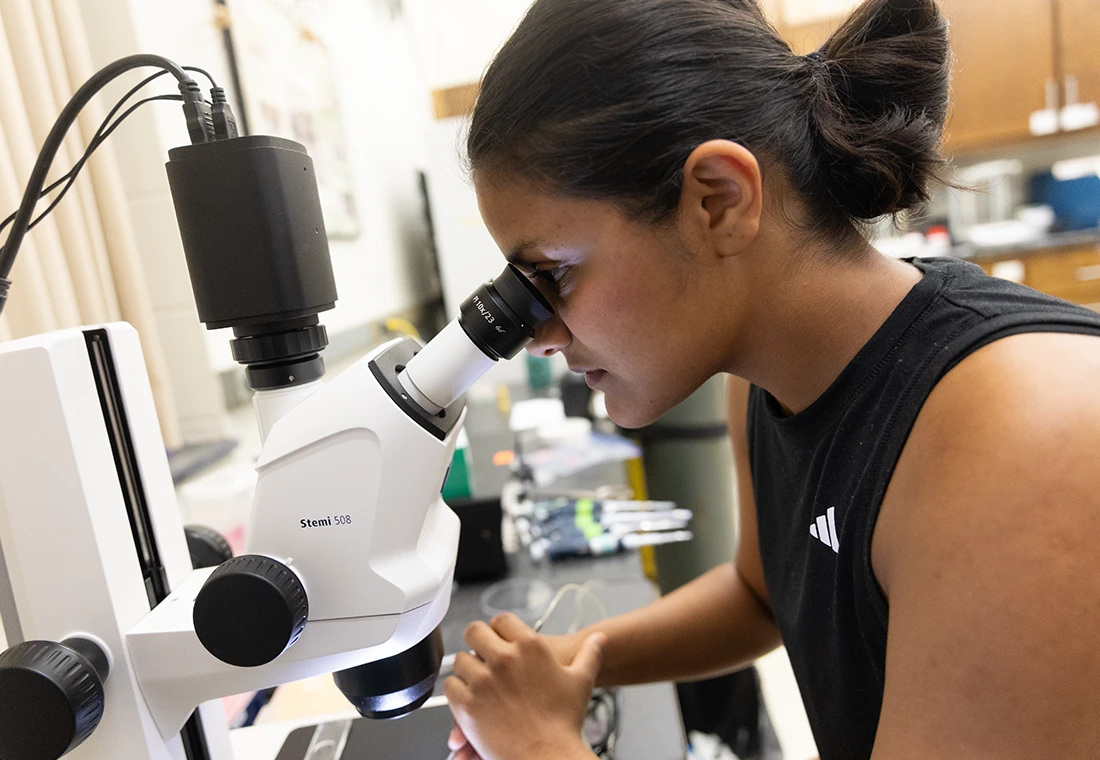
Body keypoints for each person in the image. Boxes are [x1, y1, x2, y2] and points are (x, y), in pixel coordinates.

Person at [442, 0, 1100, 758]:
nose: (540, 336)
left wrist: (538, 746)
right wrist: (573, 661)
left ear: (719, 199)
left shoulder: (1019, 439)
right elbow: (761, 596)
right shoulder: (765, 379)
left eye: (553, 275)